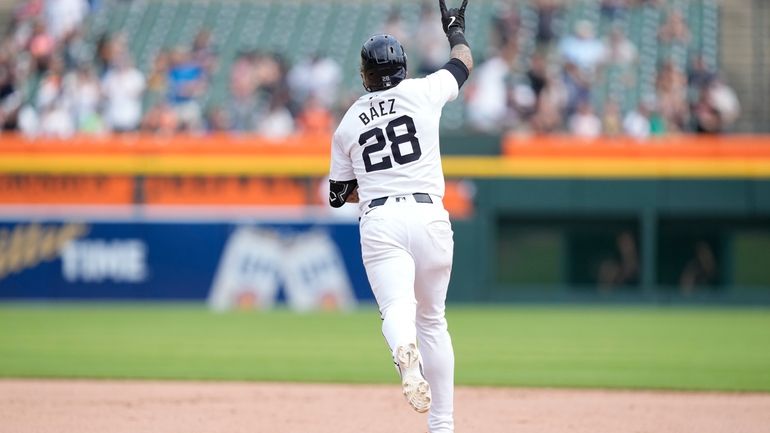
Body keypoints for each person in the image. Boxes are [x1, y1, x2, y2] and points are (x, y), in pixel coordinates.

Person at [327, 1, 473, 432]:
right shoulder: (424, 91)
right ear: (403, 67)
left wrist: (375, 185)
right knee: (434, 319)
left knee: (397, 307)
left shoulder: (348, 123)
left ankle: (404, 354)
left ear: (364, 75)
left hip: (381, 219)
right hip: (430, 216)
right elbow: (463, 63)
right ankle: (442, 425)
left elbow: (338, 195)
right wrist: (455, 31)